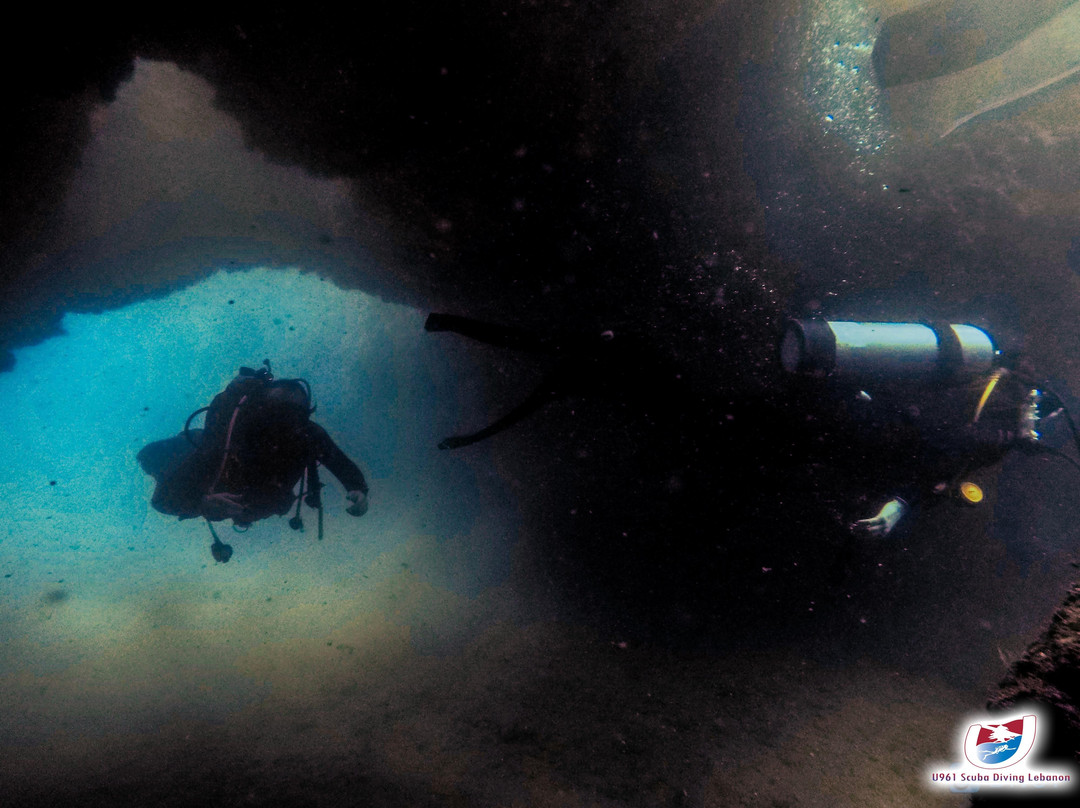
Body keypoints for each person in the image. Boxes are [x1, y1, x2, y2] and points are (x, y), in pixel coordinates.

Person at [139, 362, 368, 561]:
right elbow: (162, 501)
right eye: (274, 421)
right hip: (208, 466)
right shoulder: (225, 444)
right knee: (157, 456)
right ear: (257, 417)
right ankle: (173, 450)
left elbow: (338, 461)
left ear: (301, 421)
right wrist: (201, 503)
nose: (280, 434)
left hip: (253, 501)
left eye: (290, 423)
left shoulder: (307, 434)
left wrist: (357, 487)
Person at [425, 312, 656, 449]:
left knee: (524, 343)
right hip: (597, 365)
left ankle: (445, 322)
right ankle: (446, 322)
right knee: (524, 346)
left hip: (595, 365)